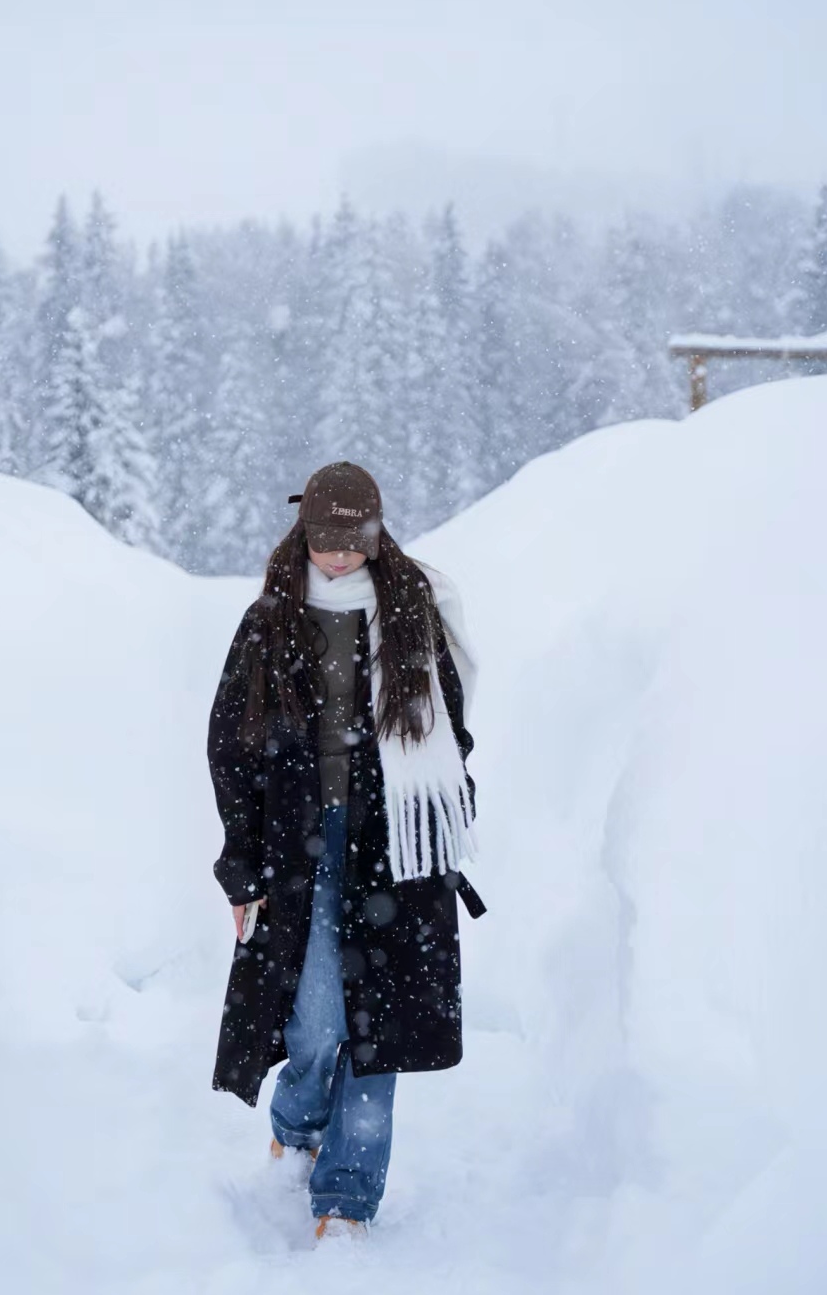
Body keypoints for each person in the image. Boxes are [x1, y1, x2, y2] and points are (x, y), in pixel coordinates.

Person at [208, 460, 485, 1241]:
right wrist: (242, 866)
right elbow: (230, 745)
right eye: (324, 540)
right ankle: (296, 1123)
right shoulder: (271, 619)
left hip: (397, 839)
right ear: (305, 532)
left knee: (382, 1026)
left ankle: (345, 1201)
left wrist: (446, 808)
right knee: (318, 1019)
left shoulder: (411, 608)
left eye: (352, 540)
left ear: (374, 532)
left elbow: (453, 726)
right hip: (301, 844)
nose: (338, 556)